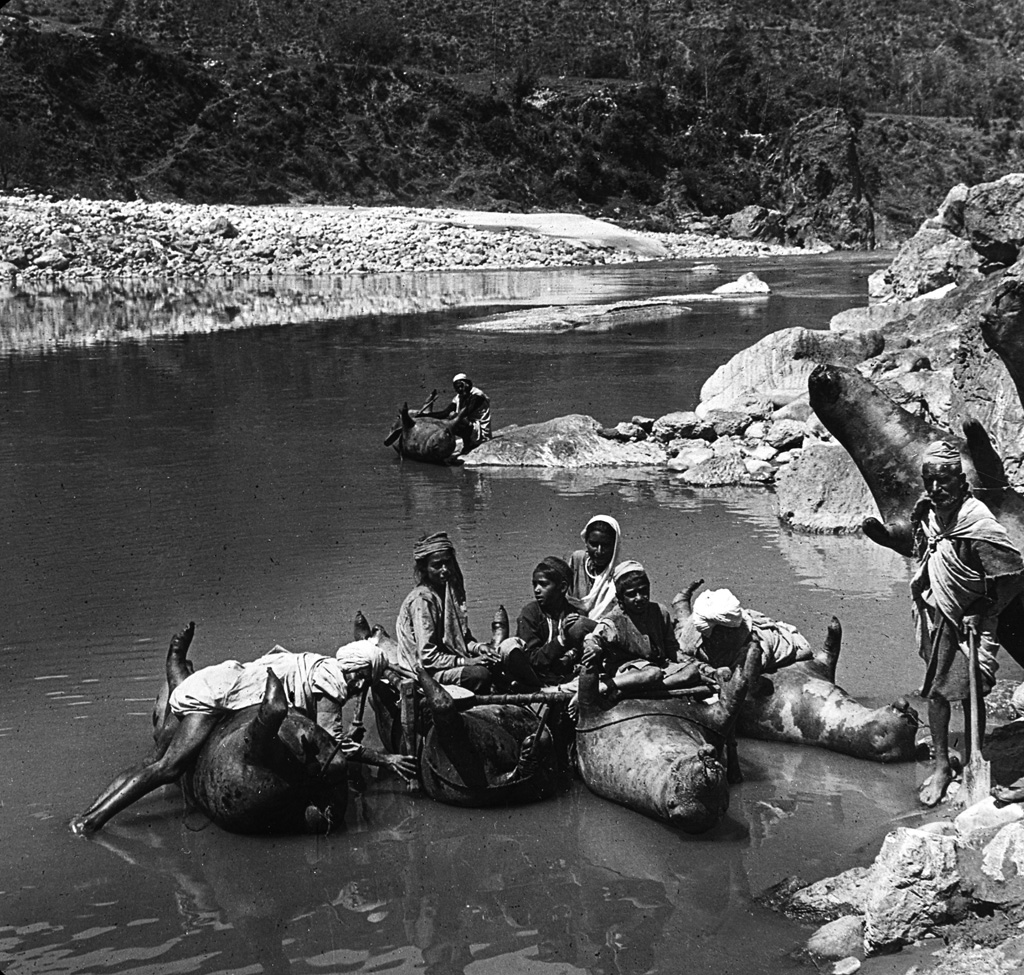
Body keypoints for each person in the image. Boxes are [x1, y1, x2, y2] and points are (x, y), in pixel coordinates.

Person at [70, 624, 416, 834]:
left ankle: (88, 815)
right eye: (366, 680)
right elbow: (333, 746)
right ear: (358, 675)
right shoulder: (332, 686)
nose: (360, 689)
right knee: (166, 766)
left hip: (224, 679)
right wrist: (383, 760)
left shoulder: (321, 664)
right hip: (214, 694)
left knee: (159, 756)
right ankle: (93, 820)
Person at [909, 440, 1024, 807]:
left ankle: (976, 758)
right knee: (937, 690)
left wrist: (984, 608)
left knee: (968, 692)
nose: (936, 489)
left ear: (961, 481)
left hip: (971, 621)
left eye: (944, 481)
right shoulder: (928, 513)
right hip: (937, 612)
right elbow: (924, 552)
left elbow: (1014, 575)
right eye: (929, 481)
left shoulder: (976, 521)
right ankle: (942, 765)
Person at [395, 531, 541, 692]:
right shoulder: (423, 600)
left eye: (447, 563)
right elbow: (427, 657)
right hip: (426, 672)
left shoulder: (446, 593)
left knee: (496, 662)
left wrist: (480, 648)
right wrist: (465, 662)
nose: (444, 570)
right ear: (424, 568)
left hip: (444, 662)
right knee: (479, 675)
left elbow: (460, 640)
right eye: (437, 565)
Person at [581, 561, 717, 699]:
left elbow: (672, 649)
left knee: (691, 672)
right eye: (631, 594)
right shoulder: (613, 621)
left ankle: (631, 690)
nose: (639, 598)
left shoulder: (660, 612)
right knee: (652, 674)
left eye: (643, 591)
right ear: (620, 598)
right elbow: (593, 639)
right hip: (628, 670)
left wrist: (701, 667)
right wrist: (593, 647)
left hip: (657, 667)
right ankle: (608, 685)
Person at [676, 587, 815, 676]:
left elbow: (740, 679)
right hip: (707, 636)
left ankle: (681, 604)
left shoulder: (748, 646)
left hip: (745, 646)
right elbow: (680, 650)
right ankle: (680, 604)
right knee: (680, 633)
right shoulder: (696, 627)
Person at [515, 556, 597, 686]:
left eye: (543, 584)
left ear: (563, 587)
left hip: (569, 677)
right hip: (538, 679)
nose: (537, 590)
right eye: (535, 584)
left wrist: (572, 656)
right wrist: (562, 640)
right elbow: (532, 660)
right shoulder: (530, 614)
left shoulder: (576, 614)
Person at [567, 515, 622, 619]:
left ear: (615, 546)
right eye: (594, 544)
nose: (599, 551)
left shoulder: (620, 574)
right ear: (586, 543)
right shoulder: (578, 560)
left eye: (605, 545)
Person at [428, 373, 492, 452]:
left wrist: (453, 415)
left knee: (455, 418)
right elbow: (445, 412)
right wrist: (426, 416)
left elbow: (466, 412)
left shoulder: (477, 395)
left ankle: (467, 447)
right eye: (457, 388)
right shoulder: (458, 397)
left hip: (480, 432)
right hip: (471, 428)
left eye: (461, 386)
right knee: (448, 419)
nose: (460, 389)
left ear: (467, 384)